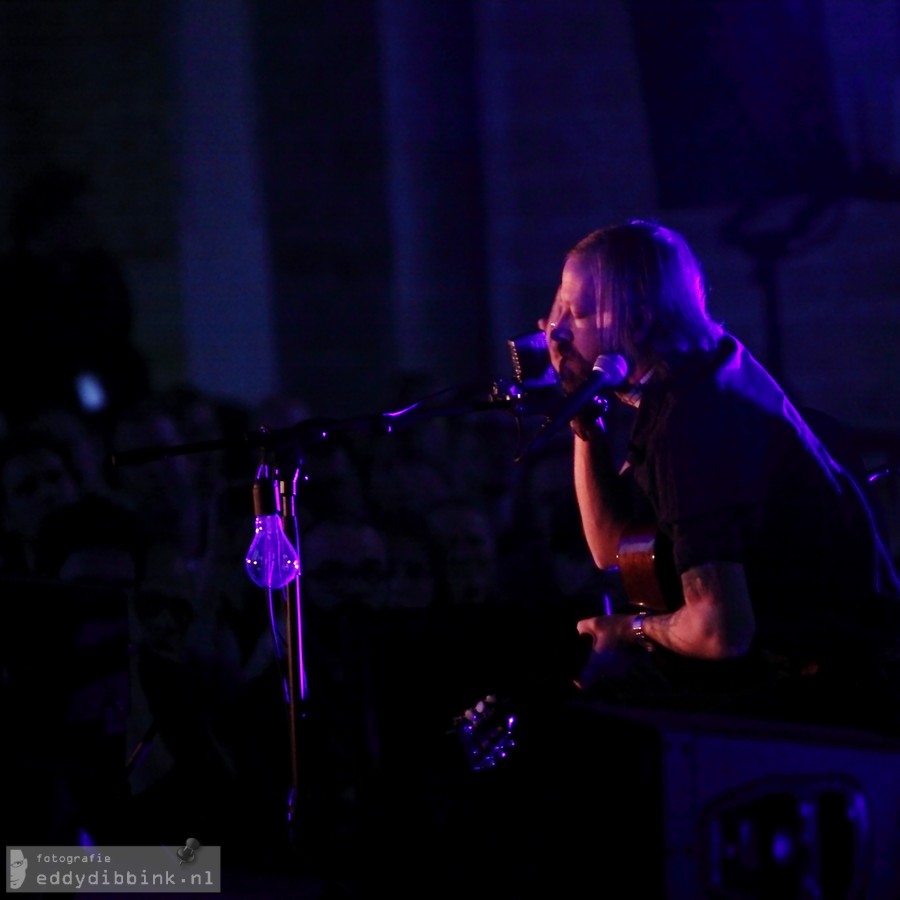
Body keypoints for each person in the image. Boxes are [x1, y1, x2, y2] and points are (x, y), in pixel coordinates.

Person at [534, 218, 900, 731]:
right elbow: (615, 548)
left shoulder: (690, 420)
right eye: (557, 311)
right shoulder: (695, 376)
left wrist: (633, 629)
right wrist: (584, 423)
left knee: (583, 722)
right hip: (811, 673)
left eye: (578, 311)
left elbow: (720, 631)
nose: (559, 332)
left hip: (829, 698)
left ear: (636, 319)